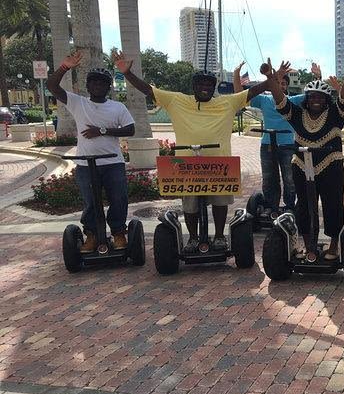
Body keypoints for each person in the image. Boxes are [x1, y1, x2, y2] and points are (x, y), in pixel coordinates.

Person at [113, 50, 270, 252]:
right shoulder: (176, 100)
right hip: (187, 165)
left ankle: (221, 236)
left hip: (219, 165)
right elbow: (148, 90)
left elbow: (252, 91)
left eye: (208, 85)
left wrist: (271, 79)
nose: (205, 88)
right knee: (190, 204)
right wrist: (127, 73)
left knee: (220, 202)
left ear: (213, 88)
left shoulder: (227, 102)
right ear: (193, 87)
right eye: (200, 85)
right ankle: (194, 238)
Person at [265, 57, 344, 263]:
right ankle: (309, 247)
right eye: (313, 96)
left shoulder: (335, 115)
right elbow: (280, 101)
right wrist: (271, 79)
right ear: (307, 98)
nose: (317, 100)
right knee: (304, 206)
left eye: (321, 97)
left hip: (331, 166)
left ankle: (334, 246)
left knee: (333, 205)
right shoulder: (298, 114)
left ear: (326, 100)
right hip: (301, 166)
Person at [47, 52, 136, 252]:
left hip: (113, 163)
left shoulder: (117, 107)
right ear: (88, 86)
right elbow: (52, 87)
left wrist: (102, 131)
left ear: (109, 87)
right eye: (94, 82)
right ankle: (93, 235)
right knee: (90, 202)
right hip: (86, 164)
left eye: (103, 83)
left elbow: (130, 129)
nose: (98, 85)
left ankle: (119, 233)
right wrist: (64, 67)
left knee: (119, 199)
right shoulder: (78, 103)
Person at [234, 62, 305, 217]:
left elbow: (312, 95)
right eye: (277, 83)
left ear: (287, 87)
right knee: (268, 178)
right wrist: (236, 76)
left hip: (287, 144)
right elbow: (241, 97)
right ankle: (270, 206)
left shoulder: (293, 100)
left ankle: (289, 206)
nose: (280, 86)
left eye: (283, 84)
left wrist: (318, 77)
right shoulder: (264, 100)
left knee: (289, 178)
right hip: (267, 144)